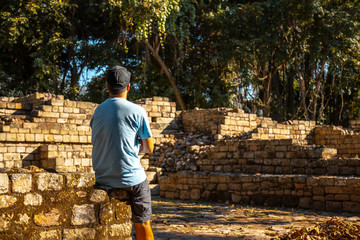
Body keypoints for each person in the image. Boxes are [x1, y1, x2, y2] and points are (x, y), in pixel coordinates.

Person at [90, 66, 155, 240]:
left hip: (102, 177)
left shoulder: (97, 112)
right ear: (128, 87)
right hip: (131, 178)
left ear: (107, 87)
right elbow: (150, 148)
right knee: (143, 223)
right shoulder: (137, 111)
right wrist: (137, 148)